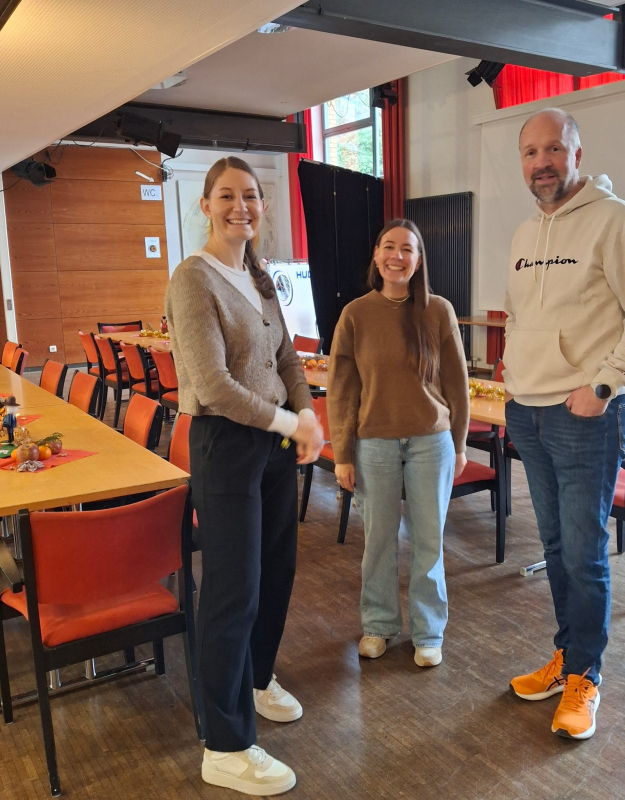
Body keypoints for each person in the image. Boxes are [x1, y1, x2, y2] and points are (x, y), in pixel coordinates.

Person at [503, 109, 625, 739]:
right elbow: (519, 317)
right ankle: (567, 655)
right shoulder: (525, 234)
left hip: (586, 415)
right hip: (528, 412)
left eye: (553, 149)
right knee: (553, 548)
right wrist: (517, 364)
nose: (541, 162)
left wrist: (605, 385)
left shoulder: (616, 220)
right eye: (530, 152)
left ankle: (586, 676)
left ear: (576, 154)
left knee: (583, 552)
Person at [165, 156, 324, 796]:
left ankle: (255, 679)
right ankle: (224, 745)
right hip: (227, 444)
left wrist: (306, 414)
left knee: (276, 573)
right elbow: (213, 386)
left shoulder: (259, 277)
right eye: (227, 196)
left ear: (263, 205)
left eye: (251, 196)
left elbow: (287, 359)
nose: (241, 206)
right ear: (206, 206)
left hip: (275, 444)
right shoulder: (192, 278)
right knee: (233, 590)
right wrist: (291, 423)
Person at [327, 219, 470, 668]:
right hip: (374, 444)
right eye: (389, 247)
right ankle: (379, 625)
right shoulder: (355, 314)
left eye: (407, 249)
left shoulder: (438, 311)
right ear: (376, 255)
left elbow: (458, 384)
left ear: (418, 260)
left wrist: (460, 443)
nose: (397, 256)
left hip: (432, 441)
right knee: (378, 542)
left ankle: (428, 633)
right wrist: (343, 453)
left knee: (429, 543)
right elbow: (342, 389)